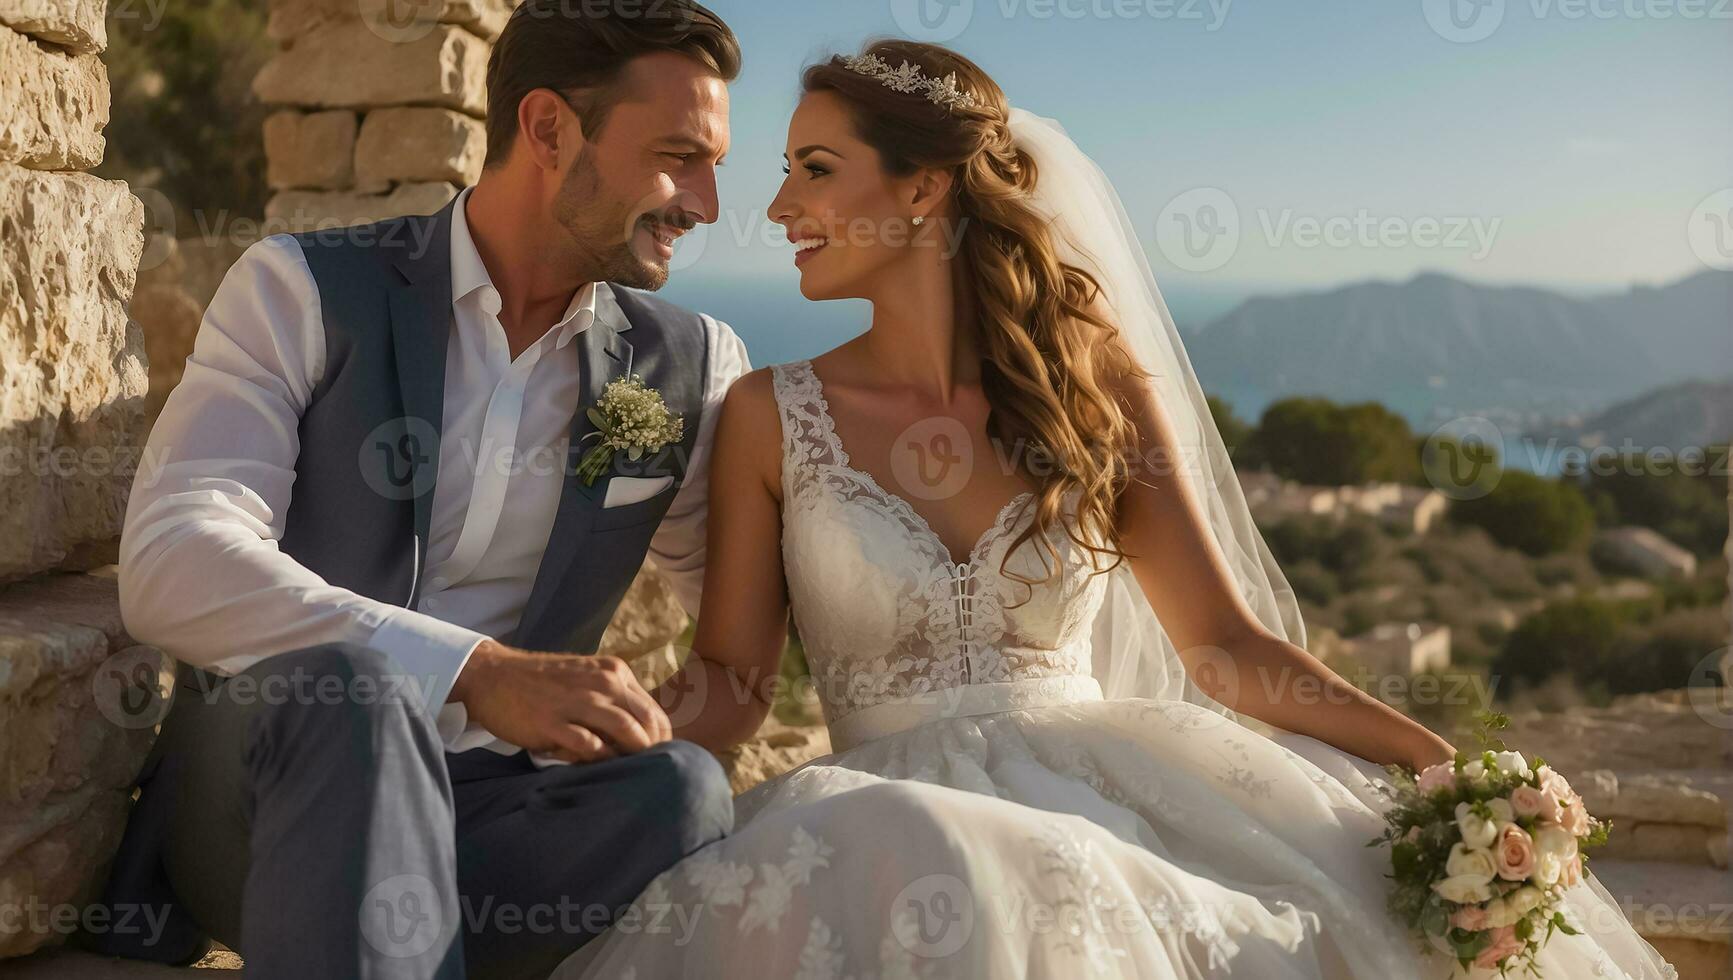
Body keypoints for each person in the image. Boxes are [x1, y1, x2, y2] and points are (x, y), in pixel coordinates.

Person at [556, 39, 1678, 979]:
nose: (777, 204)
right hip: (868, 812)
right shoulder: (767, 412)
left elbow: (1229, 648)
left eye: (812, 167)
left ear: (920, 186)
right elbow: (733, 685)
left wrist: (1454, 770)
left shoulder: (1092, 386)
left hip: (1114, 792)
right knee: (927, 848)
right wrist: (556, 754)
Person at [92, 4, 758, 978]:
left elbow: (753, 613)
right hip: (274, 789)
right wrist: (476, 670)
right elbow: (170, 560)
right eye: (675, 156)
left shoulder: (688, 366)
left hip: (493, 825)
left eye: (713, 166)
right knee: (358, 689)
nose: (702, 201)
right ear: (546, 129)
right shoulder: (300, 290)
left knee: (682, 789)